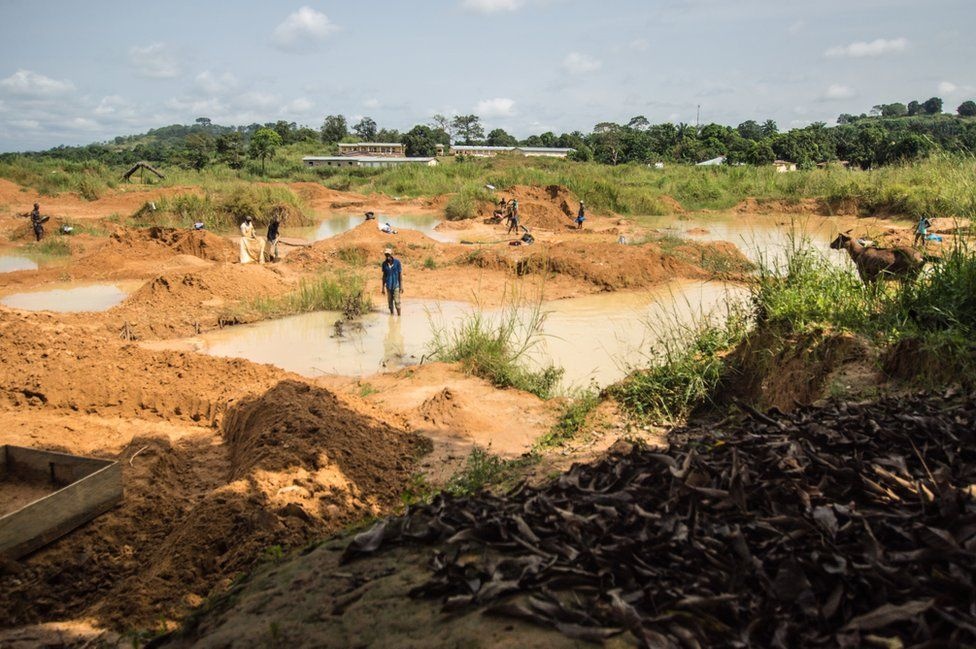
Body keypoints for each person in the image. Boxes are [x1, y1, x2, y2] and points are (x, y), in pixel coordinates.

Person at [381, 247, 403, 316]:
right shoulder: (384, 264)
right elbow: (384, 276)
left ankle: (399, 316)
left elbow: (400, 275)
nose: (387, 256)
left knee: (397, 302)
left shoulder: (397, 262)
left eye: (388, 254)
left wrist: (401, 286)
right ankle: (392, 314)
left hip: (396, 285)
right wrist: (382, 288)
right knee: (390, 303)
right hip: (388, 286)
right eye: (386, 255)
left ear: (391, 254)